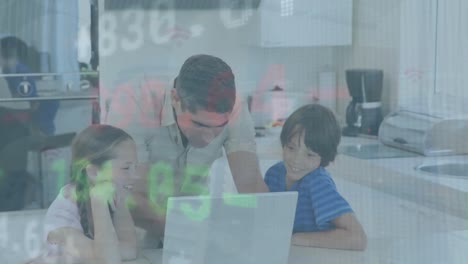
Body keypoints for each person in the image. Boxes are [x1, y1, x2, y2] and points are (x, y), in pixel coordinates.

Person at [105, 54, 268, 238]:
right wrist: (194, 233)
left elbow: (251, 185)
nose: (209, 137)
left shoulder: (236, 107)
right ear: (175, 99)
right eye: (199, 124)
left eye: (219, 127)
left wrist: (267, 232)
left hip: (191, 233)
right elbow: (130, 196)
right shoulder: (134, 101)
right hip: (133, 236)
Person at [26, 124, 139, 263]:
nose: (136, 176)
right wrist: (98, 202)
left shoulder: (116, 196)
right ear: (94, 172)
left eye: (136, 167)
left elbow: (130, 251)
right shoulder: (62, 218)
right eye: (126, 168)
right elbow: (108, 260)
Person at [264, 104, 367, 251]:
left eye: (310, 154)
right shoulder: (274, 174)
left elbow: (358, 239)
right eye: (291, 148)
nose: (296, 160)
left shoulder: (317, 183)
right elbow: (262, 209)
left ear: (324, 157)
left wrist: (293, 238)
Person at [0, 36, 59, 135]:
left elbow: (25, 96)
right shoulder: (7, 72)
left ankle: (44, 136)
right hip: (16, 109)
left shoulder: (21, 72)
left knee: (51, 103)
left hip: (25, 105)